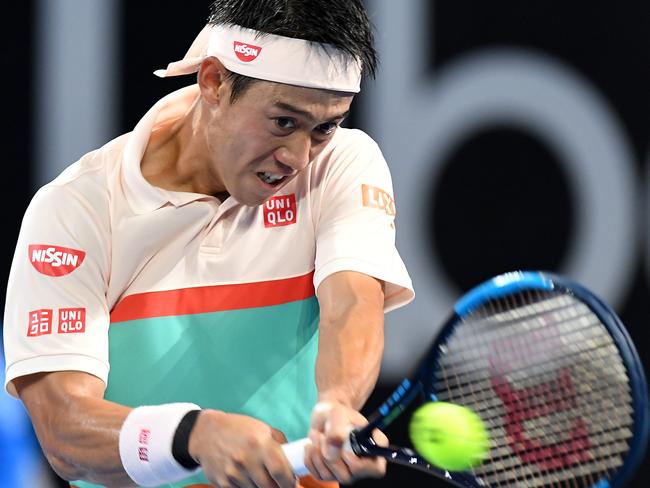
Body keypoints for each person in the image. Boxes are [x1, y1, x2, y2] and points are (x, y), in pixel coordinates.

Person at [3, 0, 414, 486]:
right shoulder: (76, 209)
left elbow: (351, 301)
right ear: (214, 82)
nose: (298, 157)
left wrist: (338, 404)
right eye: (283, 122)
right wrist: (192, 436)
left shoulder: (342, 164)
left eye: (323, 128)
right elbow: (63, 429)